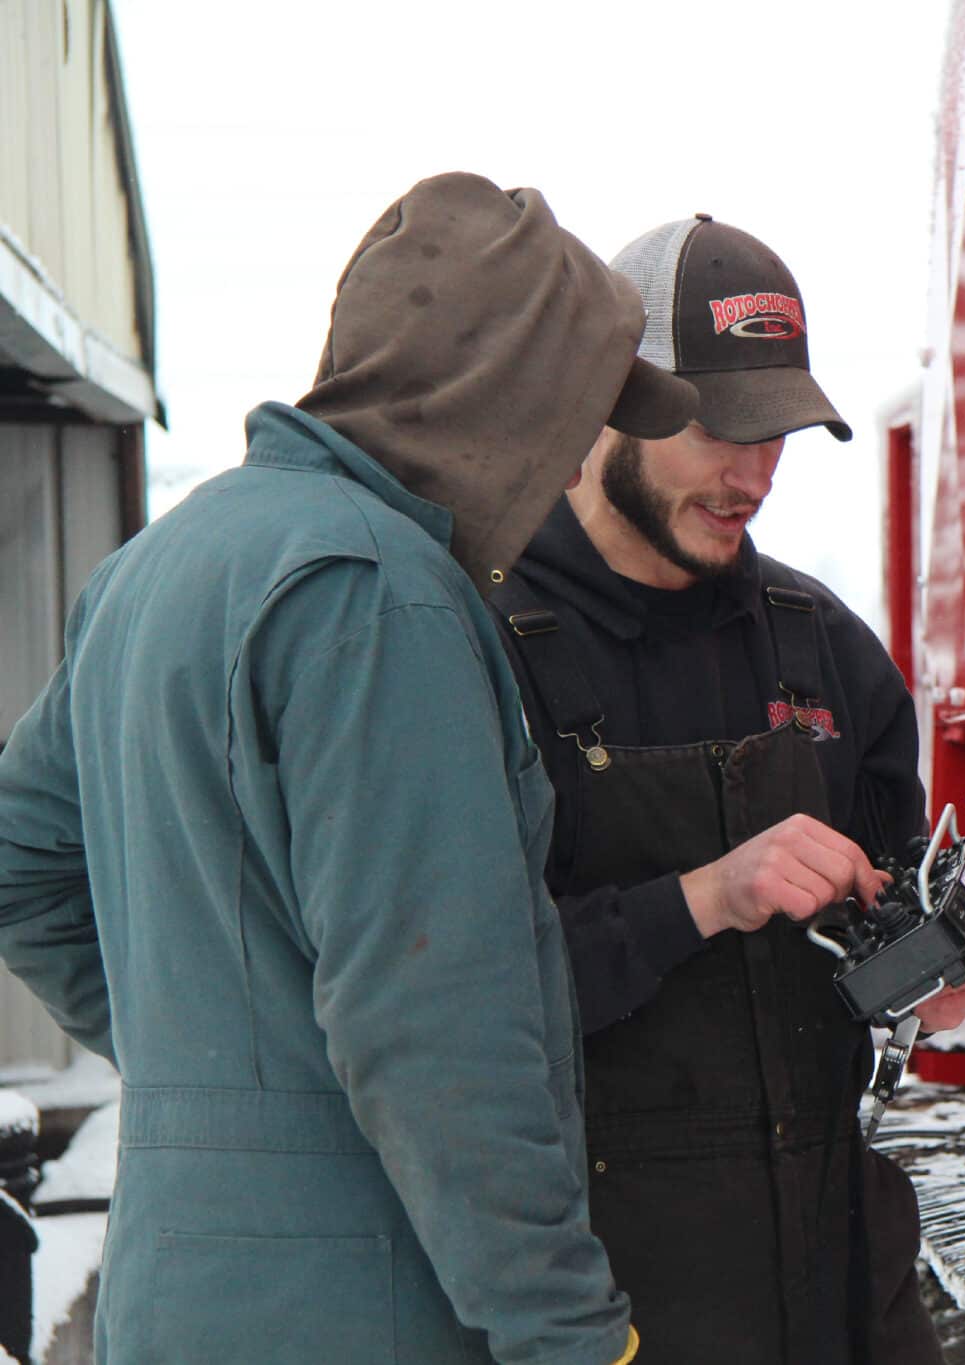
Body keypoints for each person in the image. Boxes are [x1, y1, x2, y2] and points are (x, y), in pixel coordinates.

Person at [0, 172, 701, 1364]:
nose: (579, 450)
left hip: (177, 1303)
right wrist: (571, 1334)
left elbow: (21, 860)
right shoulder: (380, 597)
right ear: (500, 390)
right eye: (579, 406)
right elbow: (437, 1025)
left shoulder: (160, 565)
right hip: (369, 1308)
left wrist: (230, 1085)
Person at [491, 215, 965, 1365]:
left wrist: (929, 945)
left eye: (779, 433)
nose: (754, 474)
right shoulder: (482, 648)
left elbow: (890, 921)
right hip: (603, 1295)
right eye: (720, 428)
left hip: (835, 1277)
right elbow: (448, 1000)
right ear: (607, 400)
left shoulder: (828, 651)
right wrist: (700, 897)